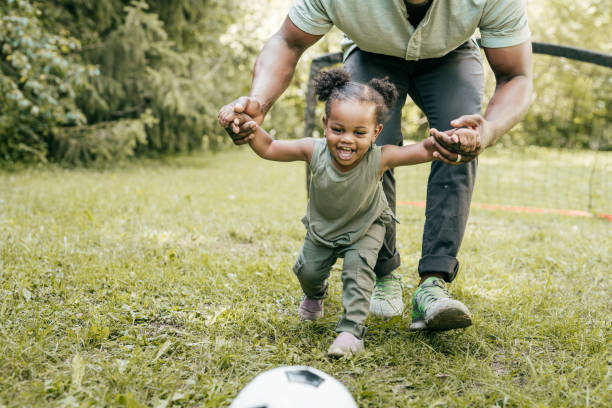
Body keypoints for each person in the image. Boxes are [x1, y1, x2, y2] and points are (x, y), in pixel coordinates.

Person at [218, 0, 533, 331]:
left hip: (450, 55)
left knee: (459, 141)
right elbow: (288, 40)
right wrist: (259, 98)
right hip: (370, 51)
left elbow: (517, 75)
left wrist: (489, 129)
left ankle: (433, 283)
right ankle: (383, 270)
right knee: (365, 149)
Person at [219, 69, 446, 355]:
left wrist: (445, 141)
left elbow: (423, 150)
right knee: (309, 271)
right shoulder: (312, 151)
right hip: (323, 227)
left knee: (358, 271)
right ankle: (315, 295)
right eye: (338, 130)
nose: (347, 140)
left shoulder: (381, 157)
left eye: (359, 133)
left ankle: (351, 332)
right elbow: (271, 146)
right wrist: (250, 129)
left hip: (366, 227)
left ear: (376, 132)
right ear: (325, 125)